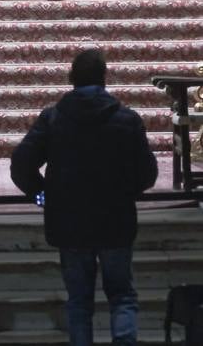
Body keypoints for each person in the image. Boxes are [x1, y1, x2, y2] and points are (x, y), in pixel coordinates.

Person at [10, 48, 158, 346]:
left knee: (78, 301)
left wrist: (43, 196)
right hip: (115, 219)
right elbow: (147, 173)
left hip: (69, 220)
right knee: (122, 296)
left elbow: (21, 165)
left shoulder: (54, 119)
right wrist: (124, 193)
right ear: (104, 78)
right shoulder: (127, 120)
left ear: (71, 78)